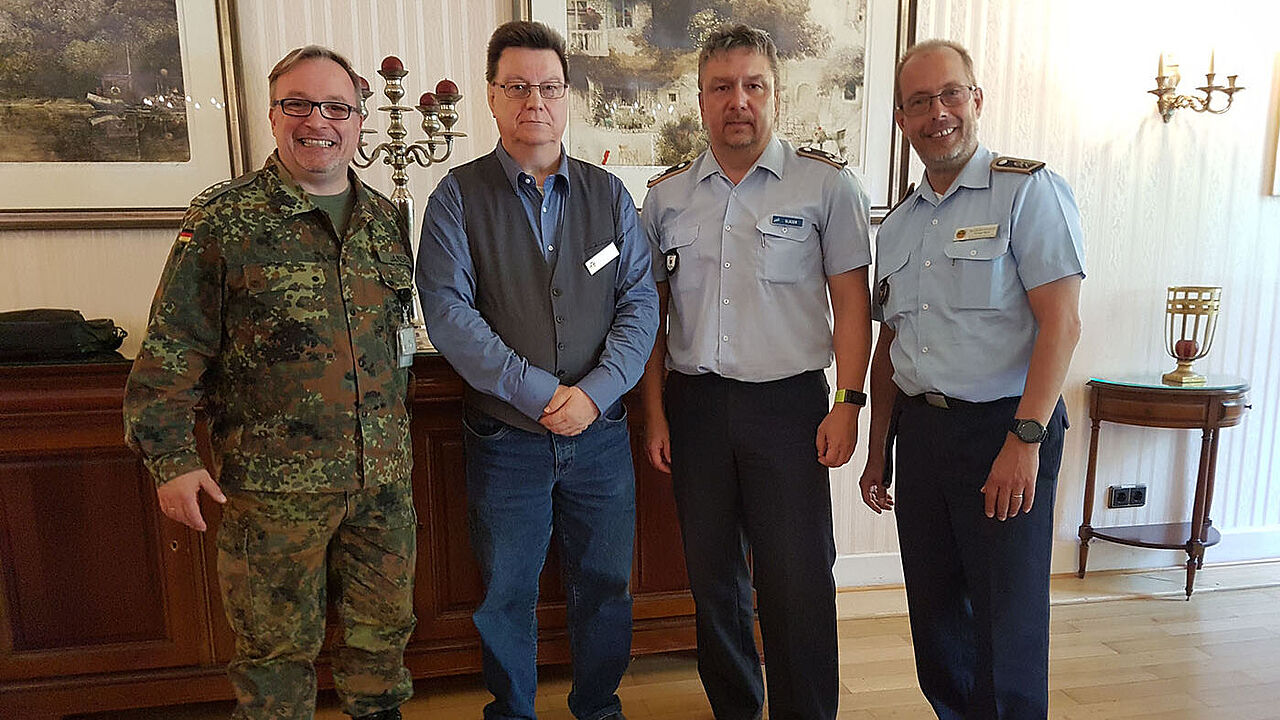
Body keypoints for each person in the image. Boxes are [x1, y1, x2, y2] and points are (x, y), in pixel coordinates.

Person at [123, 45, 416, 720]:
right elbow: (171, 349)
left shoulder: (384, 220)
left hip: (382, 490)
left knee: (382, 654)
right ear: (274, 114)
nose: (319, 121)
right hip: (274, 497)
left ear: (360, 119)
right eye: (299, 105)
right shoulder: (225, 218)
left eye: (337, 107)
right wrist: (171, 460)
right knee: (275, 665)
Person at [415, 21, 658, 720]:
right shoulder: (457, 198)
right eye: (517, 87)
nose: (535, 102)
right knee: (506, 594)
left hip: (601, 436)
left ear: (568, 97)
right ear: (492, 99)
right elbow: (450, 315)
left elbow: (639, 305)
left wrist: (595, 394)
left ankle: (598, 708)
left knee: (606, 584)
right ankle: (512, 712)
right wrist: (543, 393)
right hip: (505, 442)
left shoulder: (610, 196)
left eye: (549, 87)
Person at [638, 24, 872, 720]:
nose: (737, 100)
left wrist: (849, 403)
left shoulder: (826, 186)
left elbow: (852, 305)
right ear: (701, 99)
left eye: (753, 85)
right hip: (697, 408)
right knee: (715, 583)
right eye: (721, 87)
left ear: (776, 93)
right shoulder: (666, 198)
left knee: (797, 581)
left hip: (791, 409)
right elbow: (650, 315)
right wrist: (654, 413)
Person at [858, 39, 1085, 719]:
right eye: (920, 102)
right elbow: (890, 345)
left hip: (1004, 426)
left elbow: (1062, 324)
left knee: (1006, 618)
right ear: (902, 118)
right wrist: (877, 453)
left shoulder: (1027, 190)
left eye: (950, 94)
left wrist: (1026, 438)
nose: (939, 113)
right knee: (936, 615)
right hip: (922, 436)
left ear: (976, 100)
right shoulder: (896, 225)